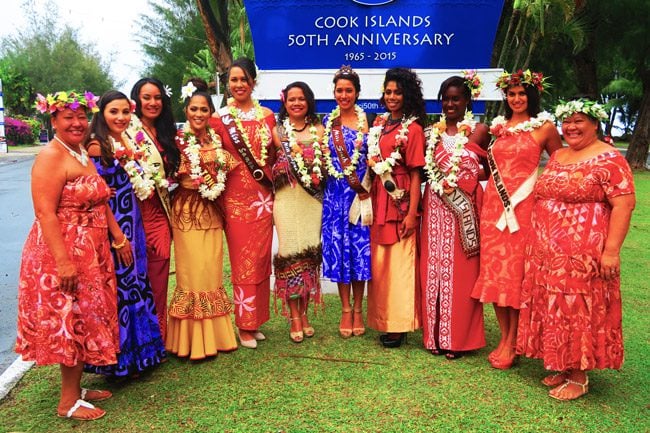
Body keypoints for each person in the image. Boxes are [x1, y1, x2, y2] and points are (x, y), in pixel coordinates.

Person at [17, 91, 126, 420]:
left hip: (91, 250)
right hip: (61, 252)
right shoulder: (51, 156)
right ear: (53, 120)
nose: (77, 123)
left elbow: (98, 198)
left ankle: (75, 389)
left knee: (85, 319)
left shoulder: (79, 151)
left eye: (81, 117)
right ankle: (67, 403)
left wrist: (117, 237)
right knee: (71, 322)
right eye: (68, 117)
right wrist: (63, 261)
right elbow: (45, 213)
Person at [517, 99, 635, 401]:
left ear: (595, 124)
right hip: (547, 253)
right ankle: (564, 364)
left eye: (579, 120)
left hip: (582, 254)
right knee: (554, 305)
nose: (571, 127)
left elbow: (624, 204)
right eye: (566, 121)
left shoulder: (609, 159)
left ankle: (580, 376)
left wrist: (611, 251)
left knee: (576, 308)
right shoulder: (558, 156)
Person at [471, 69, 563, 369]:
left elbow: (559, 165)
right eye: (511, 94)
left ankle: (515, 341)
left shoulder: (545, 127)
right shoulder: (498, 128)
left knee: (517, 276)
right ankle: (506, 338)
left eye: (522, 94)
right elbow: (488, 167)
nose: (516, 99)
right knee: (496, 275)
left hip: (526, 210)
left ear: (532, 95)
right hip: (494, 210)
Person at [83, 90, 166, 378]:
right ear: (101, 114)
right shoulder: (96, 146)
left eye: (124, 112)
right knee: (121, 289)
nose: (120, 117)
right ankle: (120, 361)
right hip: (115, 227)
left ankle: (142, 355)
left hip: (134, 221)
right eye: (113, 112)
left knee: (136, 283)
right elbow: (98, 196)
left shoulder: (126, 141)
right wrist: (117, 236)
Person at [166, 79, 238, 359]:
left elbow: (229, 171)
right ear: (186, 111)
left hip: (213, 211)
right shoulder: (177, 143)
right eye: (194, 109)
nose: (198, 114)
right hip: (186, 212)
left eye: (204, 110)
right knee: (192, 273)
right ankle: (191, 342)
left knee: (211, 272)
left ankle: (217, 338)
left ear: (211, 113)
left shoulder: (216, 140)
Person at [420, 74, 490, 359]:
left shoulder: (478, 130)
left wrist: (470, 179)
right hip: (434, 211)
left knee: (460, 277)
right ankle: (433, 336)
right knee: (433, 272)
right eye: (446, 99)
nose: (450, 104)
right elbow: (420, 171)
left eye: (456, 99)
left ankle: (458, 339)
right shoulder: (430, 134)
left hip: (463, 216)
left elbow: (492, 167)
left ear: (467, 101)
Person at [210, 57, 276, 349]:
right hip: (235, 200)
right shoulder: (218, 118)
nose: (238, 85)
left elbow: (274, 155)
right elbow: (211, 155)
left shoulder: (268, 115)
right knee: (242, 262)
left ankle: (257, 319)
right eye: (233, 80)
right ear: (228, 84)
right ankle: (244, 325)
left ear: (253, 82)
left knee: (262, 260)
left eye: (243, 79)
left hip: (263, 198)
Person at [366, 68, 426, 348]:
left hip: (400, 201)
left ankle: (400, 324)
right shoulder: (379, 124)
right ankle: (384, 319)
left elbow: (416, 174)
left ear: (407, 95)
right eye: (388, 92)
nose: (392, 97)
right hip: (379, 198)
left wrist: (412, 213)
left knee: (399, 264)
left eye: (397, 92)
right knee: (381, 265)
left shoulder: (412, 129)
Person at [271, 81, 325, 343]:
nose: (296, 103)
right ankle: (293, 317)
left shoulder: (320, 130)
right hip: (286, 201)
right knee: (290, 254)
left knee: (309, 255)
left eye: (301, 98)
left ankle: (304, 314)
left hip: (311, 202)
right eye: (291, 99)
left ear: (309, 101)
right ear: (285, 102)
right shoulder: (277, 131)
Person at [127, 78, 180, 343]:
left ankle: (157, 339)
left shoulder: (166, 132)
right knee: (133, 280)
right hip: (133, 215)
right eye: (146, 97)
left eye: (157, 97)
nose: (152, 103)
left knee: (158, 280)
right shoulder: (125, 130)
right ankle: (135, 343)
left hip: (160, 215)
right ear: (135, 100)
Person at [321, 66, 371, 339]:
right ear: (334, 92)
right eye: (339, 90)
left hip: (359, 196)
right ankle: (344, 309)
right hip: (334, 197)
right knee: (340, 251)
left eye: (349, 90)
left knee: (360, 252)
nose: (344, 95)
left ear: (357, 92)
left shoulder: (367, 121)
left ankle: (359, 309)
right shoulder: (329, 122)